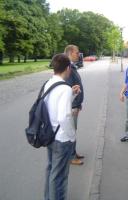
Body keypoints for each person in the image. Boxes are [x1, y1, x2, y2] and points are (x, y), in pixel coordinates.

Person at [44, 53, 81, 200]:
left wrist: (71, 95)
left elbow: (52, 105)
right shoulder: (64, 88)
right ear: (67, 68)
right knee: (59, 176)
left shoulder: (49, 83)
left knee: (51, 170)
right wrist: (72, 137)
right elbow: (64, 117)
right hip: (61, 138)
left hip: (49, 135)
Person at [64, 45, 84, 165]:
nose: (79, 54)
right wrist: (75, 105)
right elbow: (69, 88)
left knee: (73, 129)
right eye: (77, 52)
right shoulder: (67, 67)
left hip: (75, 104)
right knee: (71, 131)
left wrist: (79, 103)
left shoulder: (71, 66)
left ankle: (73, 152)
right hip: (72, 106)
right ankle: (71, 156)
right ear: (71, 53)